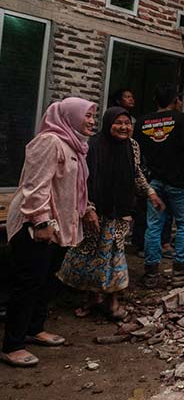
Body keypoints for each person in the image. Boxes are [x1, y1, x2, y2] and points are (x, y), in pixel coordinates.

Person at [1, 97, 96, 368]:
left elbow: (74, 188)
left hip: (60, 226)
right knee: (28, 283)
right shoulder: (50, 141)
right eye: (87, 115)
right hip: (37, 225)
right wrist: (41, 222)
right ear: (69, 116)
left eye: (93, 116)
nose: (91, 121)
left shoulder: (76, 146)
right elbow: (36, 186)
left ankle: (34, 328)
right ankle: (12, 345)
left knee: (46, 279)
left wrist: (86, 208)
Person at [57, 107, 164, 319]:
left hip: (121, 210)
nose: (124, 127)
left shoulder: (132, 146)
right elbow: (81, 181)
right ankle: (93, 297)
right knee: (92, 256)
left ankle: (112, 302)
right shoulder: (92, 146)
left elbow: (136, 173)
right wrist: (88, 207)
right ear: (108, 124)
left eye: (128, 123)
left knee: (115, 255)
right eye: (119, 122)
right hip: (95, 211)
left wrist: (150, 192)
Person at [135, 84, 184, 288]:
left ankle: (151, 274)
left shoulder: (142, 122)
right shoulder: (181, 119)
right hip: (179, 183)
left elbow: (137, 152)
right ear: (174, 101)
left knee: (154, 226)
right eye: (179, 99)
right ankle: (180, 272)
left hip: (155, 182)